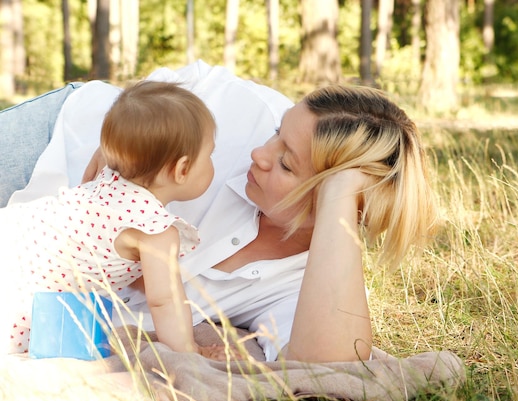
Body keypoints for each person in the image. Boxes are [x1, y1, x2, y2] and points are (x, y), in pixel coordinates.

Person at [0, 61, 438, 363]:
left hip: (31, 279)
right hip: (53, 144)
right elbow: (166, 84)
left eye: (286, 163)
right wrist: (125, 135)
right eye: (275, 134)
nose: (259, 154)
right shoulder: (240, 107)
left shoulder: (303, 282)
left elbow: (331, 362)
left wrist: (343, 193)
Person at [0, 80, 224, 358]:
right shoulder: (156, 231)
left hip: (15, 232)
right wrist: (190, 350)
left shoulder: (111, 174)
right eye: (210, 154)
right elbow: (165, 302)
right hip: (20, 283)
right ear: (182, 169)